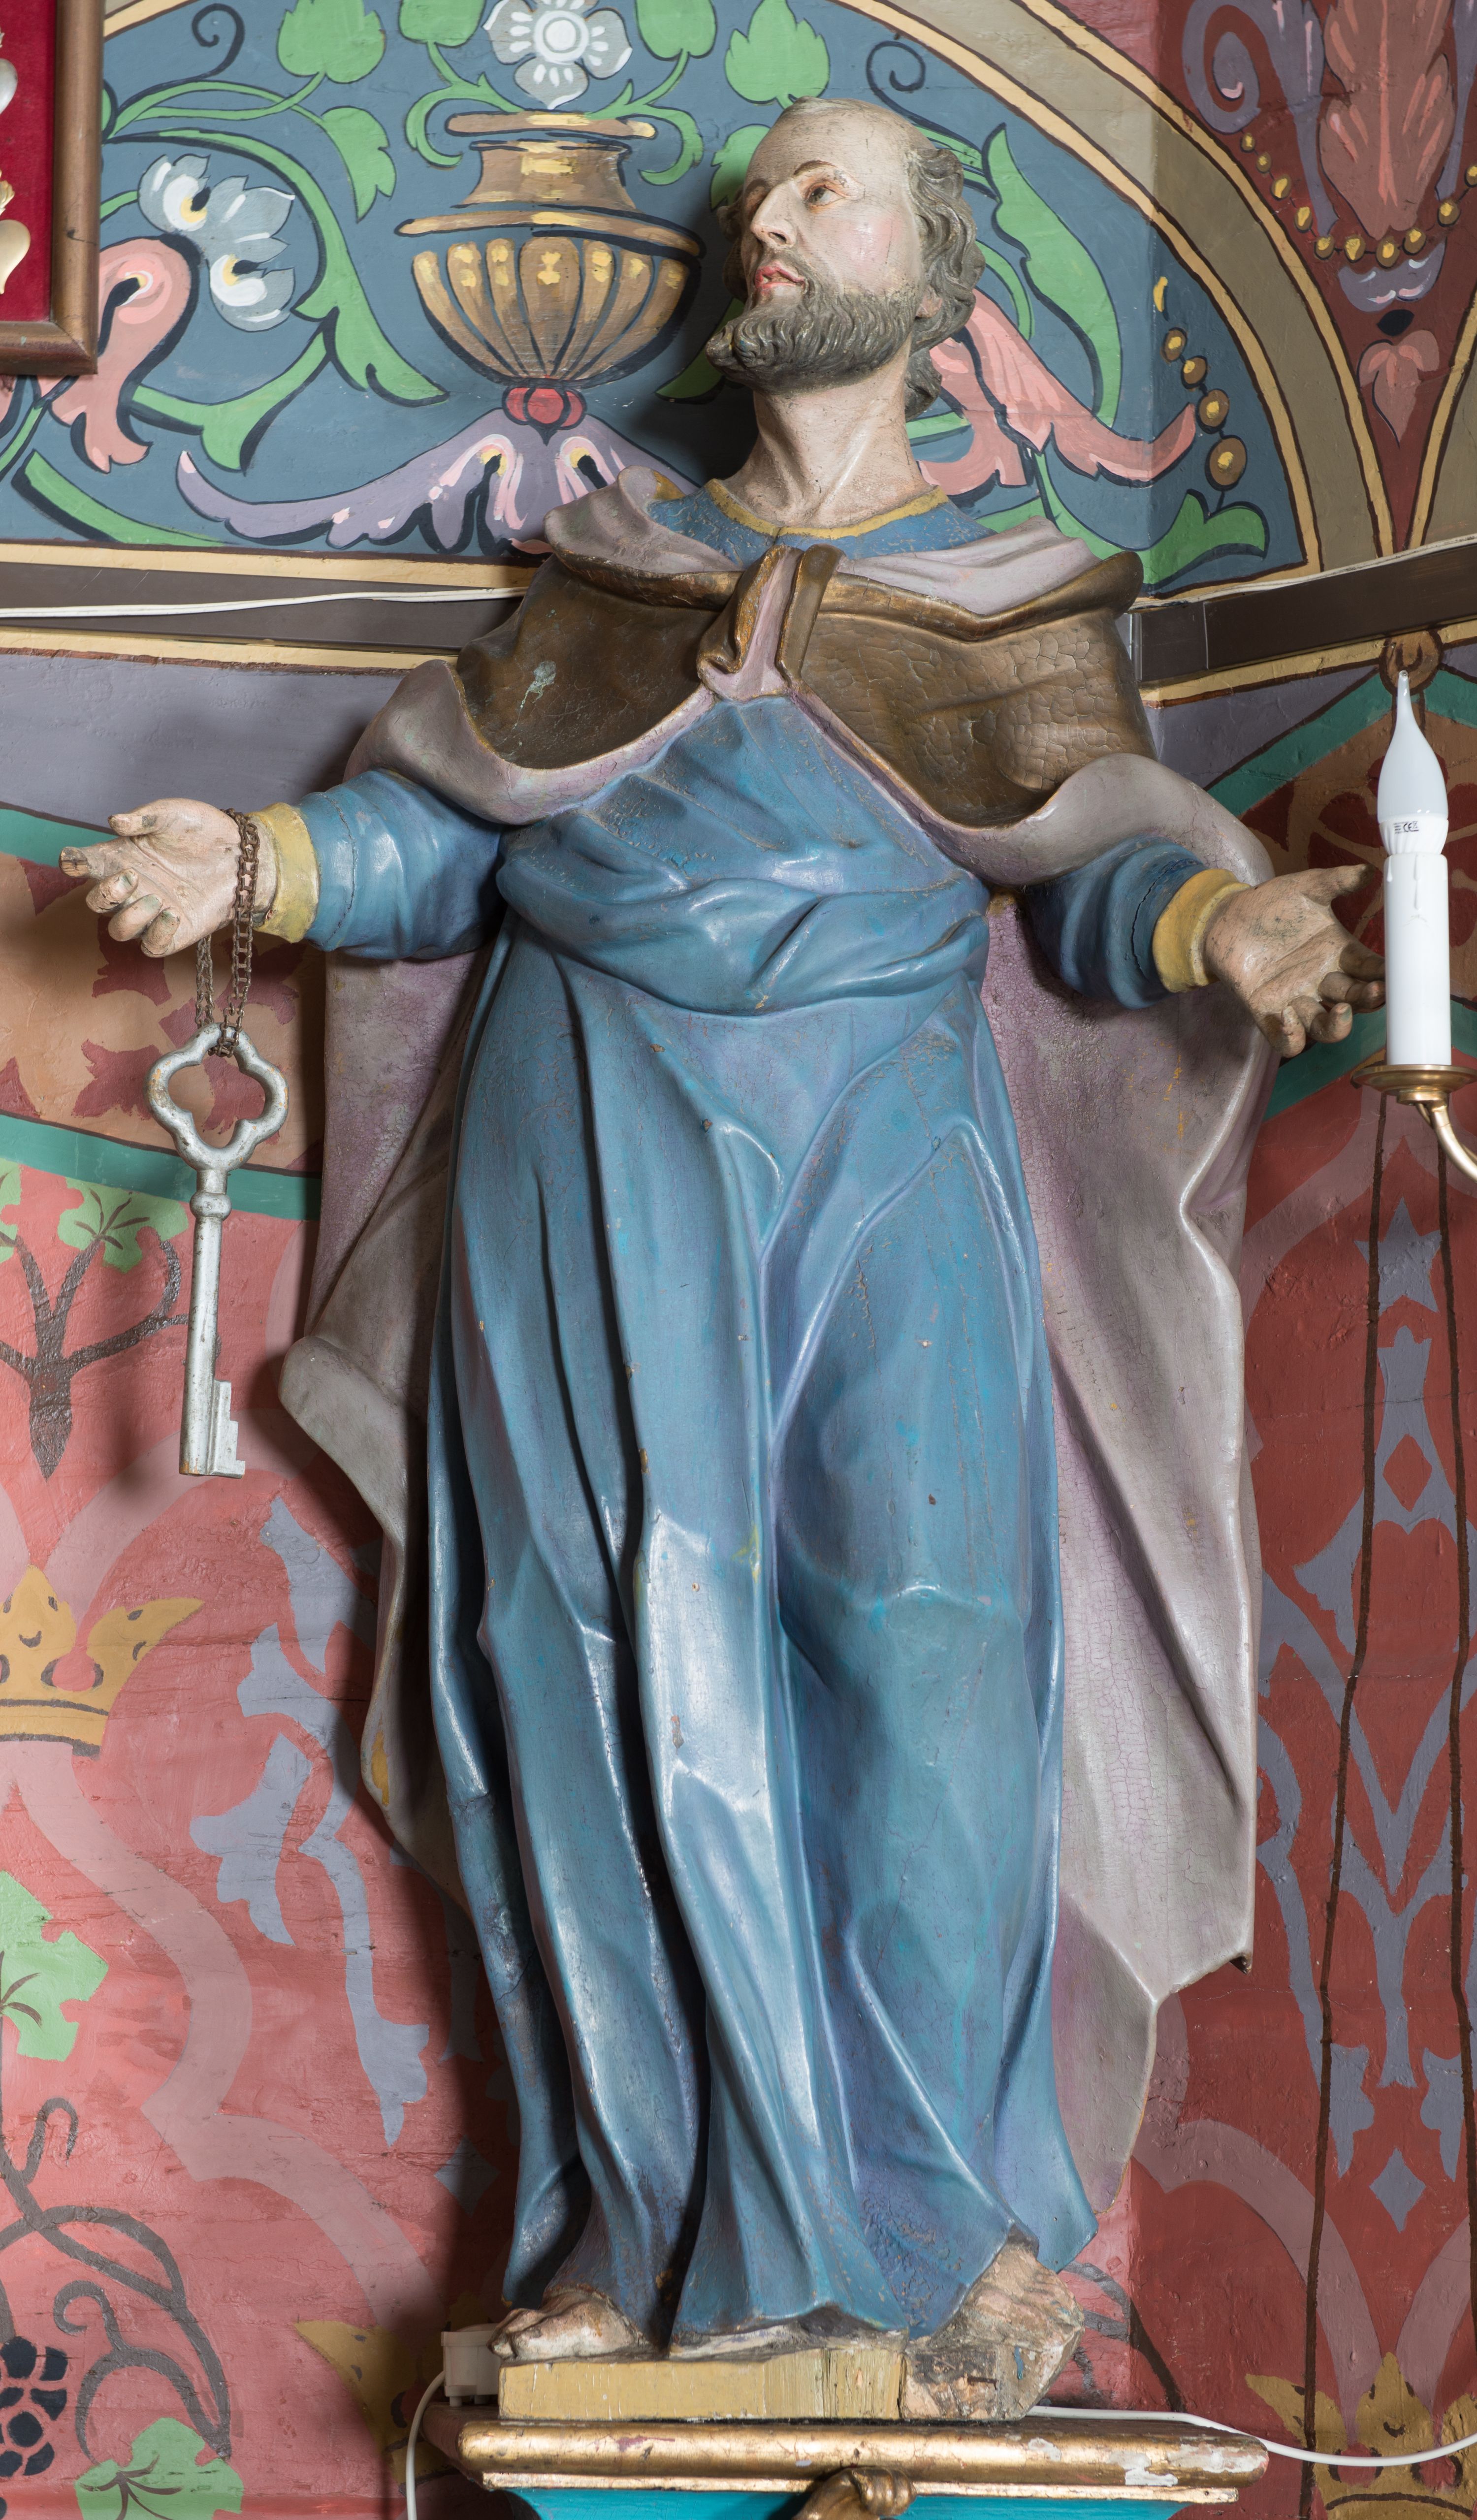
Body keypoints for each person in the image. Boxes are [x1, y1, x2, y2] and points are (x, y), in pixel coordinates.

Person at [63, 96, 1381, 2415]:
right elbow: (453, 839)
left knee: (940, 1652)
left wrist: (1221, 920)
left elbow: (1081, 863)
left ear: (937, 278)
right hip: (590, 1132)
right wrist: (255, 865)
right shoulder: (613, 573)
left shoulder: (1012, 589)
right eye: (763, 187)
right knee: (592, 1653)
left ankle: (948, 2233)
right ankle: (649, 2234)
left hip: (894, 1149)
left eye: (831, 187)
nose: (774, 215)